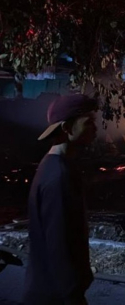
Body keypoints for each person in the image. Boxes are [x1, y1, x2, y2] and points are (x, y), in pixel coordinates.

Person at [23, 94, 98, 305]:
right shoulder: (59, 175)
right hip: (55, 294)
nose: (96, 128)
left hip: (49, 288)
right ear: (67, 128)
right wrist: (72, 292)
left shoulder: (54, 165)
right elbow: (59, 241)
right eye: (88, 122)